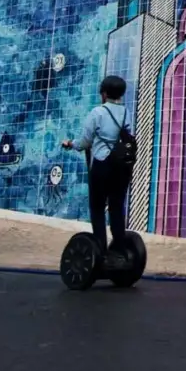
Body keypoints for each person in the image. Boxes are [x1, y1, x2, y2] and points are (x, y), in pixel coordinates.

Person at [61, 75, 133, 258]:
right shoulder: (126, 112)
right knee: (117, 207)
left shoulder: (97, 113)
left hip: (102, 165)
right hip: (122, 167)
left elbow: (85, 142)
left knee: (97, 207)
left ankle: (100, 249)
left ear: (105, 93)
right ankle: (120, 249)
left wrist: (71, 144)